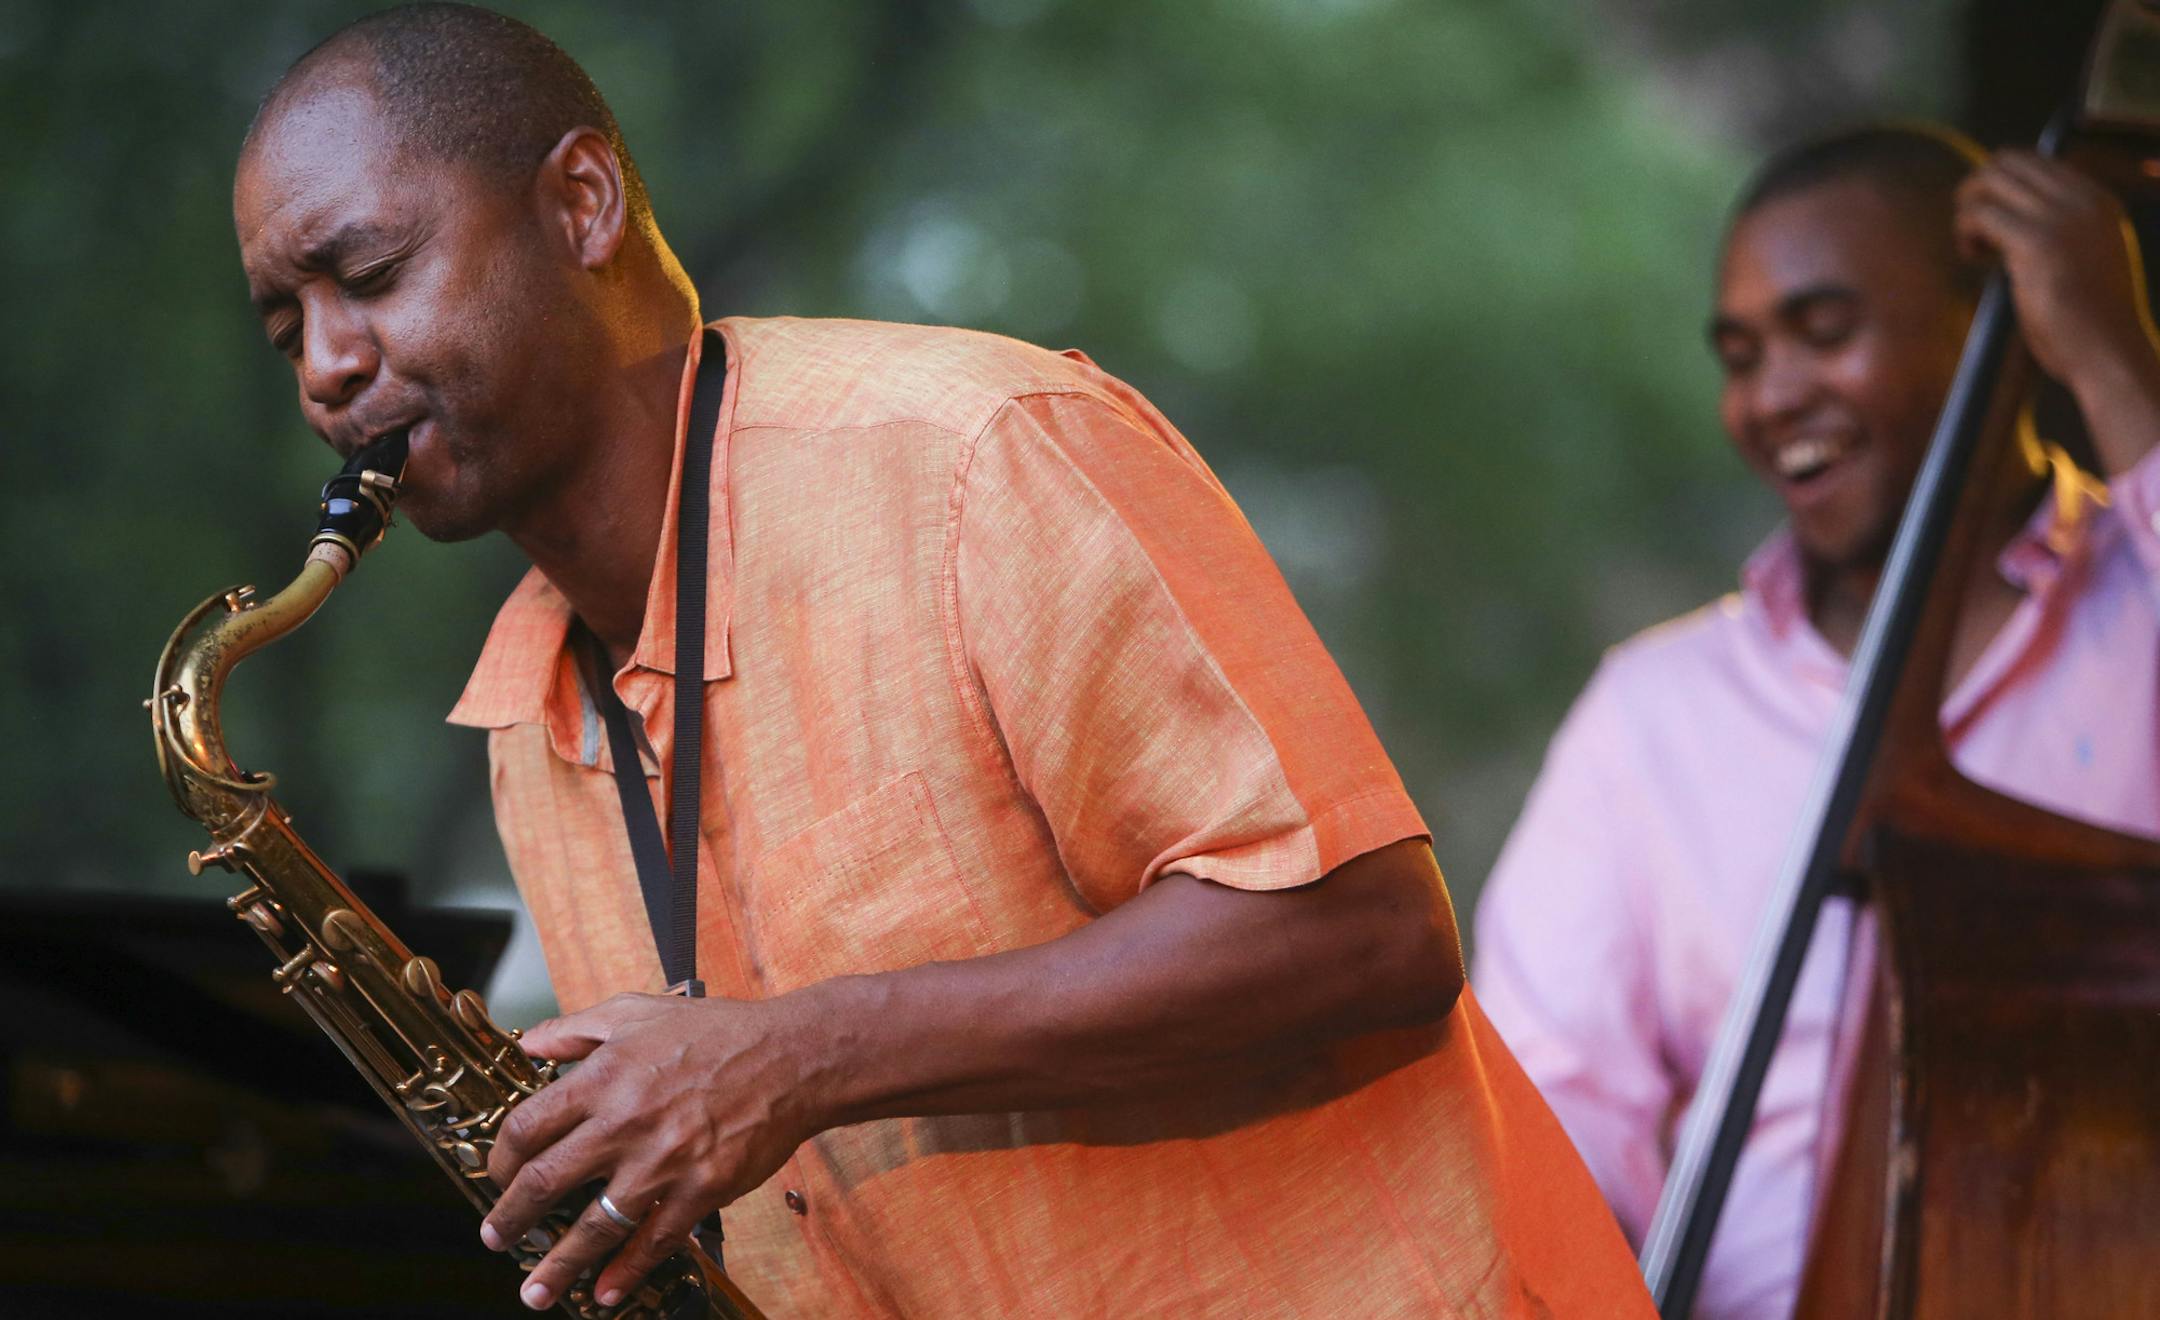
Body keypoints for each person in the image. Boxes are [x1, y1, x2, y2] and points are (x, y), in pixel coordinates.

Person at [232, 5, 1652, 1315]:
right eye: (286, 322)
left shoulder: (981, 461)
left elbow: (1372, 933)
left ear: (583, 204)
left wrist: (795, 1056)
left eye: (367, 273)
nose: (325, 365)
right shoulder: (524, 721)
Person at [1474, 124, 2160, 1318]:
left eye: (1825, 331)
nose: (1772, 396)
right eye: (1741, 355)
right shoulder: (1652, 713)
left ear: (1994, 324)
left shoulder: (2142, 605)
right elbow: (1548, 1110)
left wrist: (2110, 355)